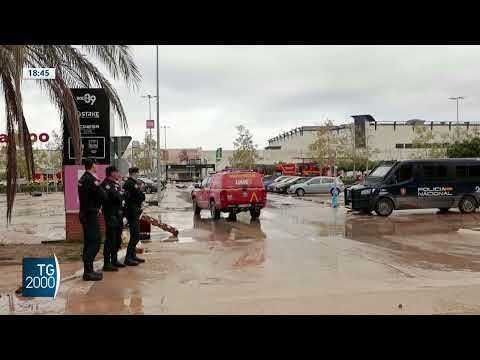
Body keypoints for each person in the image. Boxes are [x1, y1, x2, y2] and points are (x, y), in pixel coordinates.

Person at [78, 158, 108, 281]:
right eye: (96, 164)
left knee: (89, 242)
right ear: (92, 165)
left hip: (86, 213)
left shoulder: (83, 178)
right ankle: (88, 272)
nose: (97, 166)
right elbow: (103, 196)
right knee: (95, 242)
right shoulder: (90, 179)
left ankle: (88, 270)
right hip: (90, 214)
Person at [101, 166, 126, 271]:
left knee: (117, 239)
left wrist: (120, 193)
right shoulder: (106, 184)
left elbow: (123, 196)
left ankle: (114, 260)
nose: (118, 174)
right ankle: (107, 263)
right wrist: (120, 194)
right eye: (117, 172)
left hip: (118, 215)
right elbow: (116, 197)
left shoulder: (116, 184)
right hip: (111, 215)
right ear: (111, 173)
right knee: (110, 240)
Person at [123, 167, 146, 266]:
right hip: (131, 211)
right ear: (134, 173)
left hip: (133, 210)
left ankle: (132, 255)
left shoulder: (131, 183)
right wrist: (140, 191)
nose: (138, 175)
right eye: (137, 173)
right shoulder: (131, 183)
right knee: (136, 235)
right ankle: (128, 257)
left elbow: (139, 196)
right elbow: (141, 196)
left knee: (134, 234)